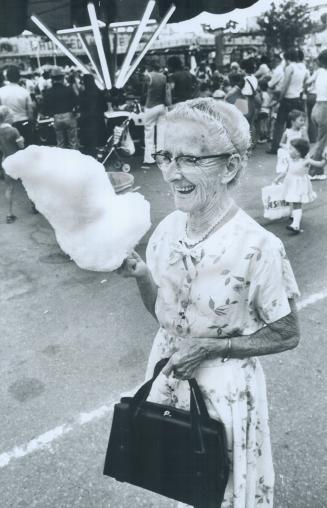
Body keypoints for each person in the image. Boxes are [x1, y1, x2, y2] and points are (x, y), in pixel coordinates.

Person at [119, 98, 300, 507]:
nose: (169, 173)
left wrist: (213, 347)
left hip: (224, 391)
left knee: (220, 490)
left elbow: (288, 334)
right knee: (178, 481)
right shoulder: (167, 229)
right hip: (168, 375)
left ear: (231, 166)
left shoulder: (259, 247)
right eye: (165, 156)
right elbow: (166, 318)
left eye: (188, 159)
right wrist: (143, 277)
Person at [267, 49, 307, 154]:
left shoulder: (290, 68)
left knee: (279, 124)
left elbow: (285, 85)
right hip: (297, 98)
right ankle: (293, 146)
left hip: (287, 99)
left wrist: (280, 98)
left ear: (287, 59)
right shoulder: (302, 68)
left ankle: (275, 147)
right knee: (292, 125)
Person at [274, 138, 316, 234]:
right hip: (290, 183)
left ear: (298, 153)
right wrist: (277, 178)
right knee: (293, 200)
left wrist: (324, 160)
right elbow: (286, 171)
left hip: (299, 185)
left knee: (297, 203)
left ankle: (295, 225)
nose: (289, 151)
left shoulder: (305, 161)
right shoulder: (290, 160)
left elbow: (319, 164)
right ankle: (295, 215)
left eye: (291, 149)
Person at [42, 67, 78, 149]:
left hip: (56, 117)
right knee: (73, 142)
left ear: (52, 79)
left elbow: (46, 107)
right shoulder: (68, 89)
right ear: (62, 78)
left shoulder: (48, 92)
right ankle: (75, 159)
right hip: (69, 115)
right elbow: (76, 102)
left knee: (60, 143)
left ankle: (62, 159)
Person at [0, 105, 24, 223]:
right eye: (11, 114)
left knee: (9, 188)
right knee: (26, 184)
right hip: (17, 160)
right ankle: (34, 206)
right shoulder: (13, 130)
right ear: (6, 117)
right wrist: (22, 139)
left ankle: (9, 215)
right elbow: (21, 146)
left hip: (6, 161)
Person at [141, 60, 167, 167]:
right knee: (161, 132)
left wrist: (142, 104)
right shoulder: (163, 77)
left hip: (150, 106)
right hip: (161, 106)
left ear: (150, 67)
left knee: (149, 133)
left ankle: (149, 159)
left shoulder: (148, 76)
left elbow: (143, 93)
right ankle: (161, 157)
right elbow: (165, 93)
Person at [0, 65, 34, 145]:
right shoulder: (24, 92)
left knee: (10, 149)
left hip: (7, 125)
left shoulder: (1, 91)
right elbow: (30, 112)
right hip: (24, 123)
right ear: (19, 78)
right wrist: (31, 124)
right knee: (25, 147)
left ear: (7, 78)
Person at [306, 49, 327, 180]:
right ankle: (312, 171)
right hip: (325, 107)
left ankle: (318, 171)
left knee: (321, 139)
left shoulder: (319, 72)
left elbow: (308, 82)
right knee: (321, 140)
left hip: (316, 106)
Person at [79, 74, 107, 158]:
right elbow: (104, 107)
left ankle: (90, 157)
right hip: (98, 120)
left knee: (88, 143)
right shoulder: (99, 92)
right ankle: (99, 156)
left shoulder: (83, 94)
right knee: (98, 140)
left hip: (87, 121)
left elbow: (80, 107)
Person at [275, 109, 308, 174]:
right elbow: (281, 143)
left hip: (299, 151)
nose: (303, 122)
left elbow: (306, 142)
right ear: (293, 121)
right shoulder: (287, 132)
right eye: (301, 120)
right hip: (290, 151)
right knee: (282, 153)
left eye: (304, 120)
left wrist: (304, 134)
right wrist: (288, 146)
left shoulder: (302, 131)